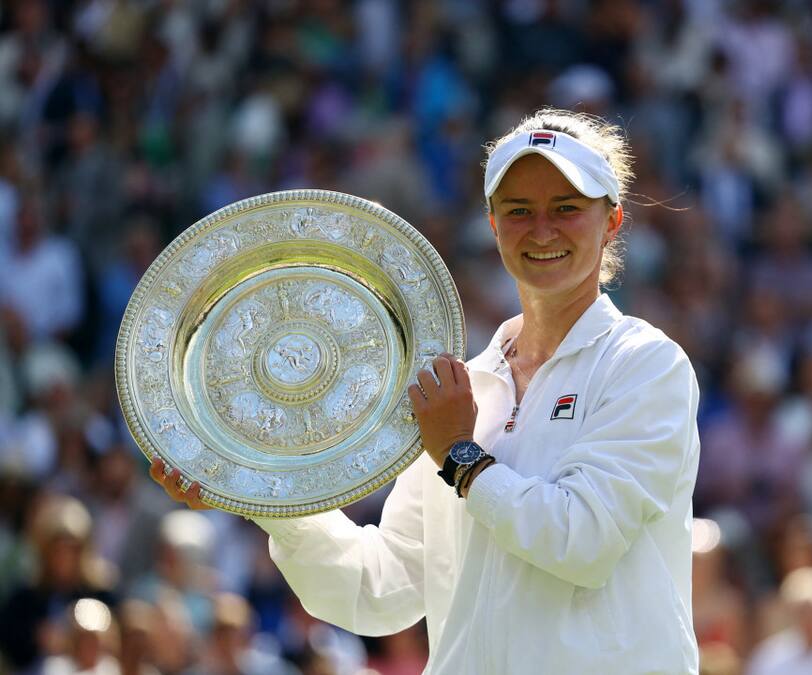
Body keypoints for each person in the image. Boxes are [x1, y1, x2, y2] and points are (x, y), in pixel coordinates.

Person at [151, 108, 703, 674]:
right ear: (492, 224)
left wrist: (461, 457)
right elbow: (378, 588)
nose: (542, 230)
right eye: (519, 211)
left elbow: (582, 543)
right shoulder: (460, 388)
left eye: (566, 209)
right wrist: (259, 490)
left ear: (611, 221)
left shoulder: (646, 366)